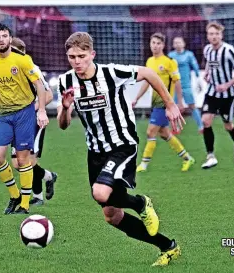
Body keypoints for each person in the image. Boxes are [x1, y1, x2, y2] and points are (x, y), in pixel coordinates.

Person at [57, 32, 182, 266]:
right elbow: (63, 125)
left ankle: (141, 203)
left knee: (100, 193)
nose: (77, 61)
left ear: (92, 55)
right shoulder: (65, 82)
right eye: (72, 56)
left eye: (82, 56)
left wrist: (170, 103)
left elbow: (149, 73)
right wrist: (65, 108)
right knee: (111, 215)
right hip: (95, 152)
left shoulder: (110, 73)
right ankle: (167, 246)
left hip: (122, 144)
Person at [0, 23, 49, 214]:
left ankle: (25, 204)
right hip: (3, 114)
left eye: (4, 36)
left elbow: (40, 86)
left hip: (24, 113)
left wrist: (41, 111)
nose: (1, 40)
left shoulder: (23, 60)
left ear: (10, 39)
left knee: (23, 160)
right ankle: (14, 195)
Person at [133, 33, 195, 173]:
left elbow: (177, 82)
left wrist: (179, 102)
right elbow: (146, 82)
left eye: (158, 43)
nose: (155, 46)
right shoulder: (149, 62)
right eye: (153, 42)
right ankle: (187, 158)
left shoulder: (169, 62)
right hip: (155, 102)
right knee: (164, 133)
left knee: (150, 132)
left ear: (163, 45)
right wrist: (137, 98)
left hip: (164, 103)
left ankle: (143, 164)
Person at [10, 37, 58, 206]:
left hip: (34, 121)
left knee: (29, 161)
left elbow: (49, 94)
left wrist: (36, 108)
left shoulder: (31, 68)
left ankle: (38, 197)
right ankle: (49, 176)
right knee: (17, 163)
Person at [201, 22, 234, 169]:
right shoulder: (207, 49)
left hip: (227, 95)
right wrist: (207, 73)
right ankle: (210, 156)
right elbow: (209, 62)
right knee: (206, 121)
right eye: (211, 34)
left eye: (217, 34)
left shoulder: (228, 50)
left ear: (221, 35)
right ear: (208, 36)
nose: (214, 36)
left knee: (228, 125)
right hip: (212, 92)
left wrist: (227, 84)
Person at [168, 36, 204, 133]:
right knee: (174, 107)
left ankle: (201, 126)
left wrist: (199, 81)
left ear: (183, 43)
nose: (177, 44)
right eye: (175, 42)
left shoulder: (189, 55)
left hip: (186, 85)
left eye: (179, 42)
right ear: (173, 45)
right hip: (174, 86)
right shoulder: (171, 55)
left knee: (192, 106)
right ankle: (176, 128)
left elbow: (195, 67)